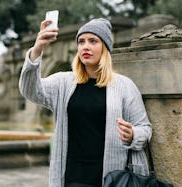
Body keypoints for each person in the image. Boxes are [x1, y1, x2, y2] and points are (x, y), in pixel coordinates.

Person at [19, 18, 152, 187]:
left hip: (110, 179)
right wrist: (37, 50)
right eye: (81, 42)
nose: (85, 46)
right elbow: (30, 90)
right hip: (71, 178)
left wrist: (133, 134)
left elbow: (145, 129)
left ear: (105, 47)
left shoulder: (125, 86)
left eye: (93, 41)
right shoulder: (63, 82)